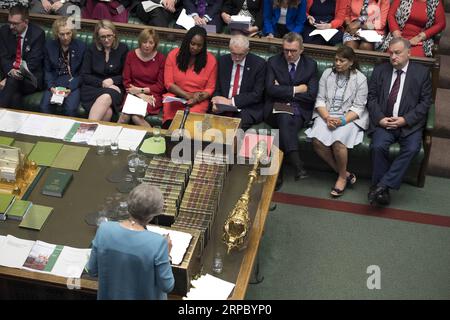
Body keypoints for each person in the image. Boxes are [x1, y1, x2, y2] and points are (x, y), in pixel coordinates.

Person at [367, 38, 431, 206]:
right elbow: (371, 98)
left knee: (412, 148)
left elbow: (425, 104)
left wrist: (405, 120)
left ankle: (381, 186)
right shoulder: (380, 70)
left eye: (398, 53)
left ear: (409, 53)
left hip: (409, 124)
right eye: (391, 53)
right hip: (385, 122)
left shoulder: (421, 73)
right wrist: (380, 118)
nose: (393, 57)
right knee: (377, 146)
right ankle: (383, 190)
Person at [86, 184, 175, 300]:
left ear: (129, 205)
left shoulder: (104, 229)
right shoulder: (158, 243)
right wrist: (167, 255)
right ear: (154, 214)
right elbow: (167, 286)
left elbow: (92, 270)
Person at [305, 46, 368, 197]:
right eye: (336, 60)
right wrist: (327, 117)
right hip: (327, 114)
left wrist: (340, 121)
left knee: (339, 142)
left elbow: (358, 108)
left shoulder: (360, 79)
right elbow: (320, 100)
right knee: (316, 141)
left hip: (348, 117)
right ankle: (344, 172)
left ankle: (341, 178)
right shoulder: (327, 74)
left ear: (351, 62)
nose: (338, 63)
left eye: (342, 60)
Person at [265, 32, 319, 189]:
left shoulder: (310, 65)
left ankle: (277, 173)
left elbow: (311, 95)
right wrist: (297, 89)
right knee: (283, 115)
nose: (289, 54)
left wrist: (282, 90)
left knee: (284, 123)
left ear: (301, 49)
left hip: (300, 111)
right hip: (275, 110)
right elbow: (269, 90)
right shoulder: (273, 62)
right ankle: (297, 163)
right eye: (286, 50)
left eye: (293, 51)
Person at [163, 25, 217, 127]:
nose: (195, 48)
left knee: (189, 127)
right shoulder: (173, 55)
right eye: (192, 44)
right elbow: (168, 83)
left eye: (199, 45)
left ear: (203, 46)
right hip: (176, 97)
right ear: (187, 41)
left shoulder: (211, 60)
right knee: (171, 126)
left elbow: (210, 88)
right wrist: (188, 96)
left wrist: (196, 99)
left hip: (198, 101)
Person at [211, 34, 266, 130]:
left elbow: (257, 95)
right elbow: (217, 88)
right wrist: (216, 101)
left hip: (246, 108)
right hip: (223, 105)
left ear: (247, 51)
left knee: (234, 128)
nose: (236, 58)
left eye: (240, 54)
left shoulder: (259, 64)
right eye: (233, 53)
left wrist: (230, 102)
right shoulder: (223, 61)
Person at [81, 20, 128, 122]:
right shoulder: (91, 49)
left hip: (115, 88)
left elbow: (126, 74)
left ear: (114, 34)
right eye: (103, 37)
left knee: (106, 96)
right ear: (98, 37)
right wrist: (103, 83)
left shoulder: (123, 48)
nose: (106, 40)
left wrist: (112, 81)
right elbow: (85, 75)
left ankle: (86, 130)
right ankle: (95, 136)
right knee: (108, 112)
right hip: (93, 88)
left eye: (109, 36)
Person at [0, 4, 45, 109]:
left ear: (25, 22)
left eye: (15, 24)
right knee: (15, 97)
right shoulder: (4, 31)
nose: (11, 27)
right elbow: (3, 56)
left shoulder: (37, 34)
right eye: (10, 23)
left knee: (11, 81)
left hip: (30, 78)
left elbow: (33, 63)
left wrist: (9, 78)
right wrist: (10, 72)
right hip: (12, 76)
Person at [119, 28, 165, 127]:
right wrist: (140, 94)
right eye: (144, 42)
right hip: (132, 93)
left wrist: (140, 91)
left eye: (151, 43)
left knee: (136, 117)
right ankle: (113, 140)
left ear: (155, 44)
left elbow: (160, 86)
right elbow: (126, 81)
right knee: (124, 117)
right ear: (140, 42)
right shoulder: (131, 55)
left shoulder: (160, 58)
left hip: (152, 95)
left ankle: (155, 138)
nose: (147, 45)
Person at [40, 16, 86, 117]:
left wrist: (70, 87)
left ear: (72, 32)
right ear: (56, 33)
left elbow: (83, 73)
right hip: (55, 81)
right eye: (62, 34)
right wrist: (51, 86)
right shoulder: (49, 46)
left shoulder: (81, 46)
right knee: (44, 107)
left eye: (68, 33)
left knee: (70, 109)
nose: (65, 37)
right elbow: (47, 70)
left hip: (73, 82)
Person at [379, 0, 446, 57]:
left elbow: (441, 23)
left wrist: (420, 37)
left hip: (419, 41)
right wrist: (396, 32)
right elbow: (391, 15)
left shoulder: (434, 2)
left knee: (412, 58)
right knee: (393, 54)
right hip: (398, 37)